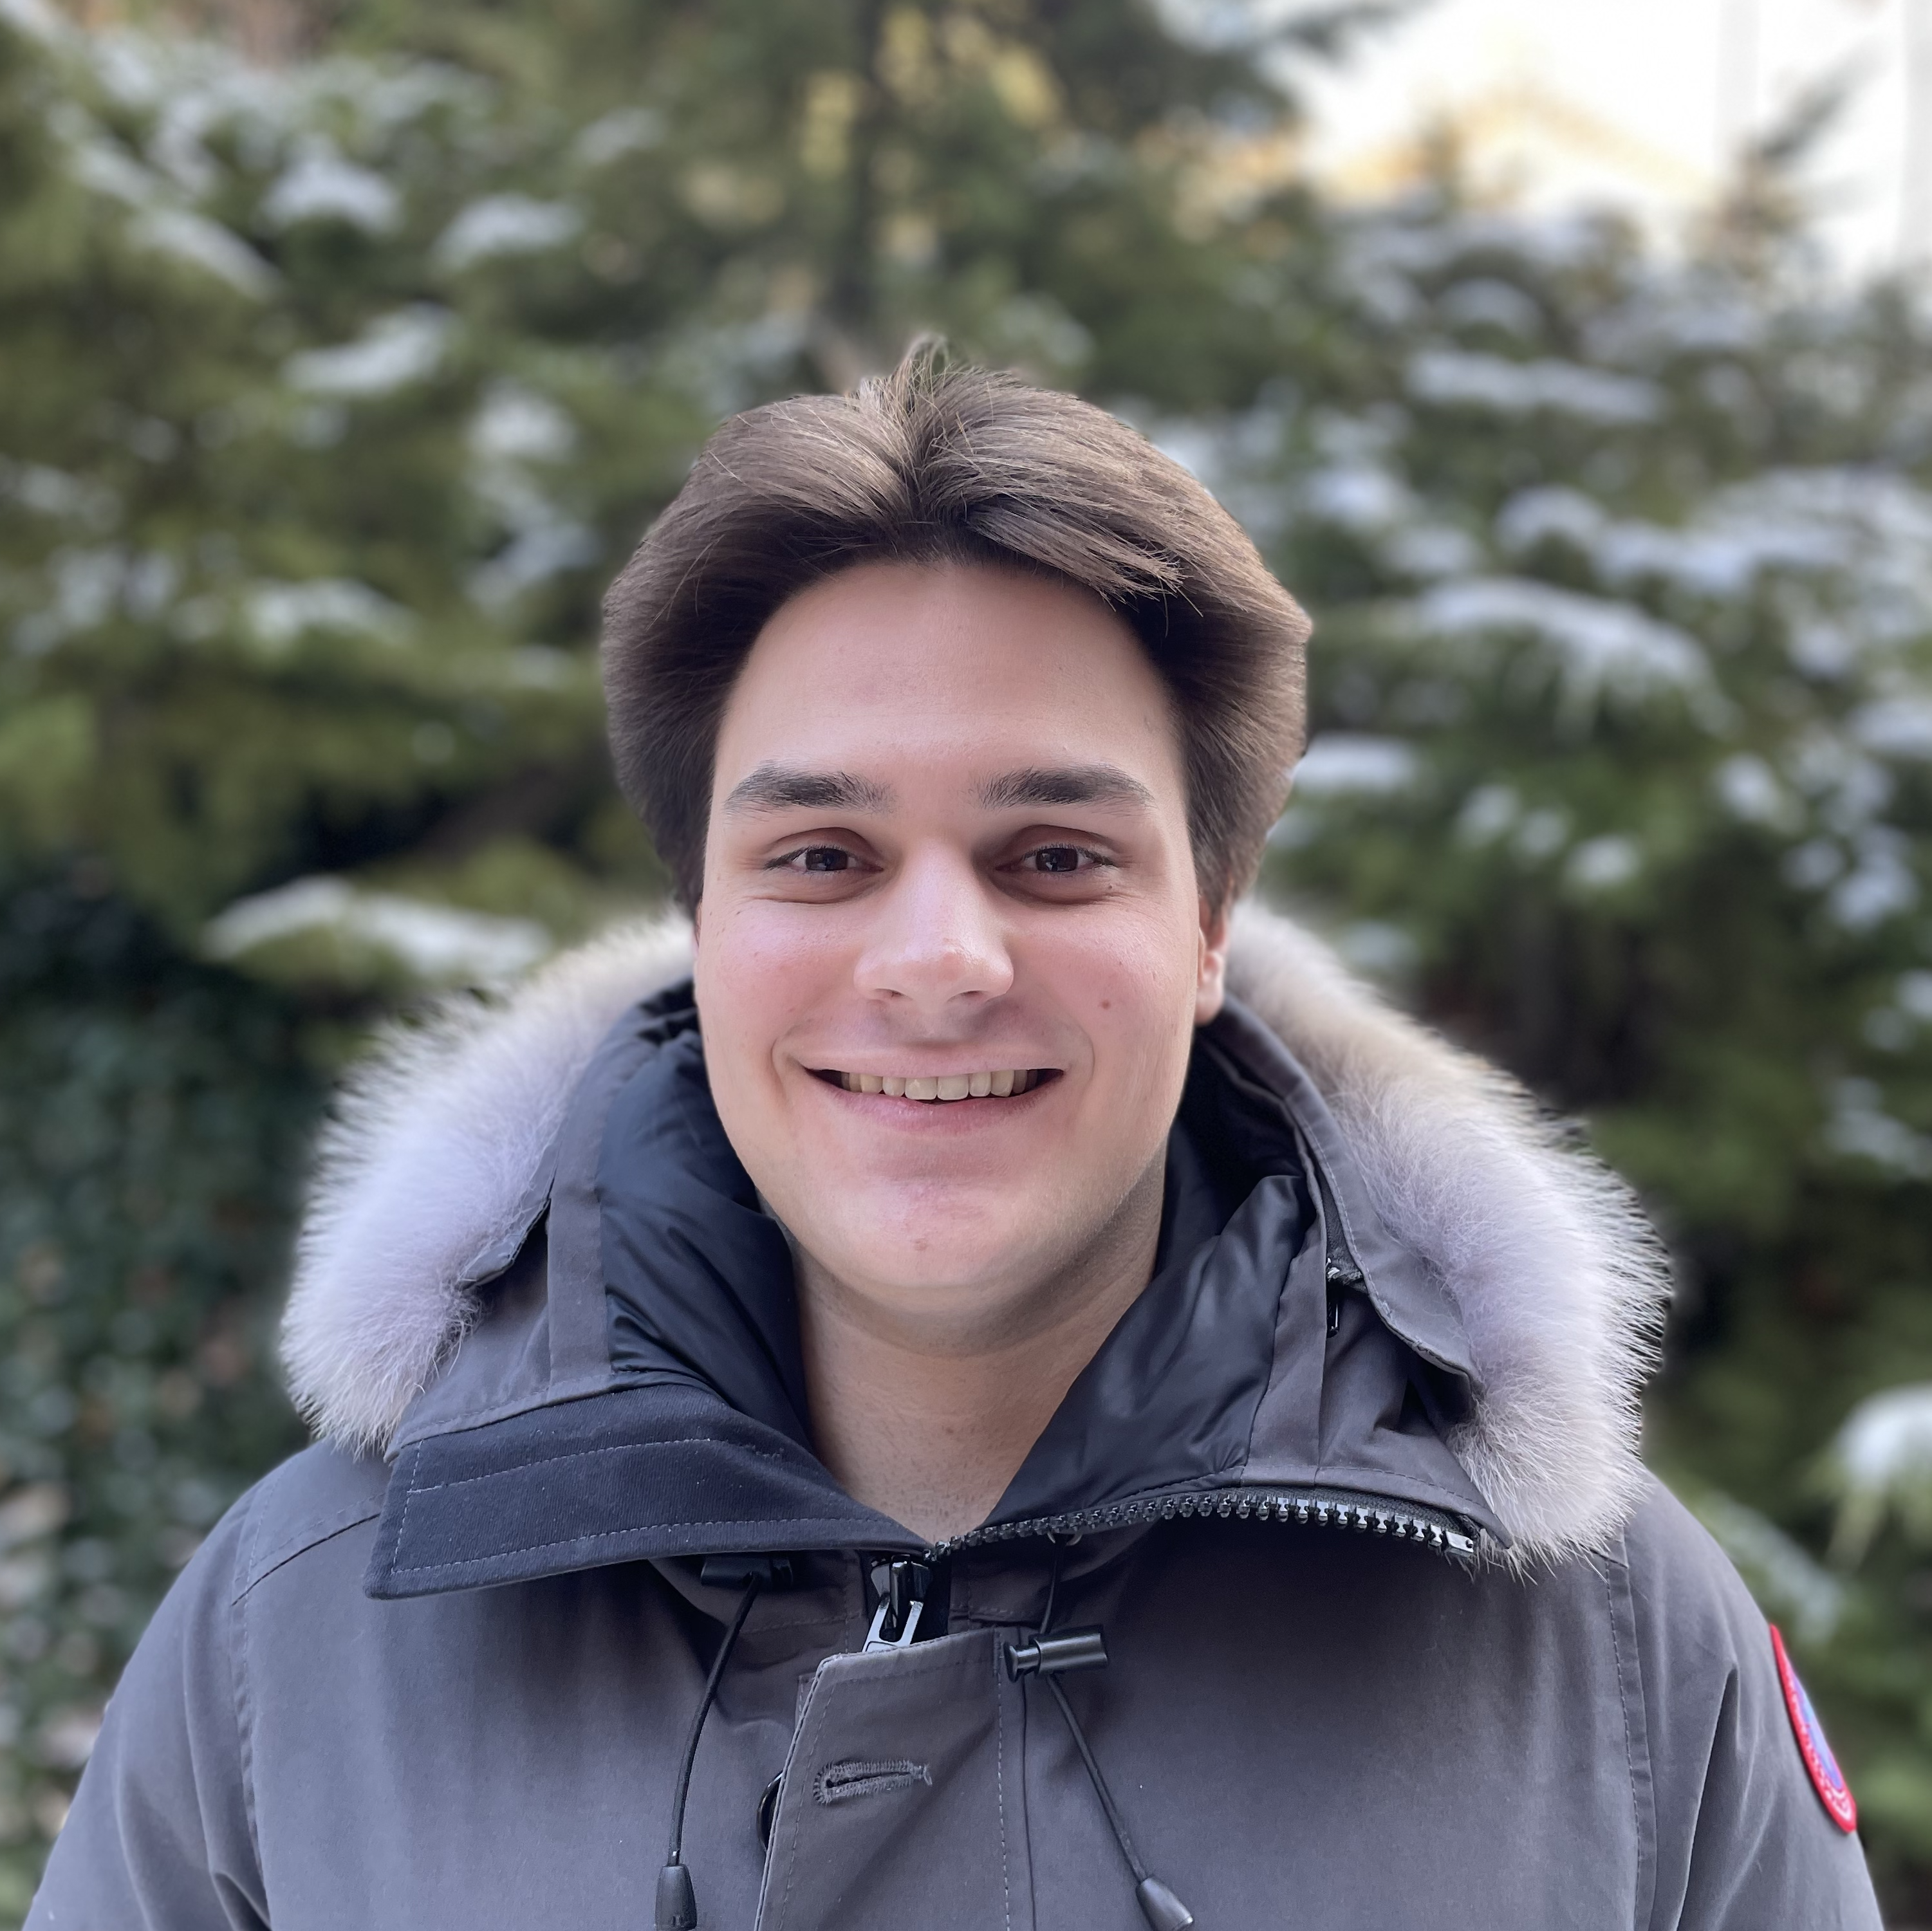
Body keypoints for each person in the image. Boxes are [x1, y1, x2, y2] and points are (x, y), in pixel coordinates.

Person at [31, 353, 1882, 1930]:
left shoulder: (1613, 1651)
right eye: (820, 856)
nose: (937, 962)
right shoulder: (298, 1636)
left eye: (1056, 856)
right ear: (699, 918)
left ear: (1211, 922)